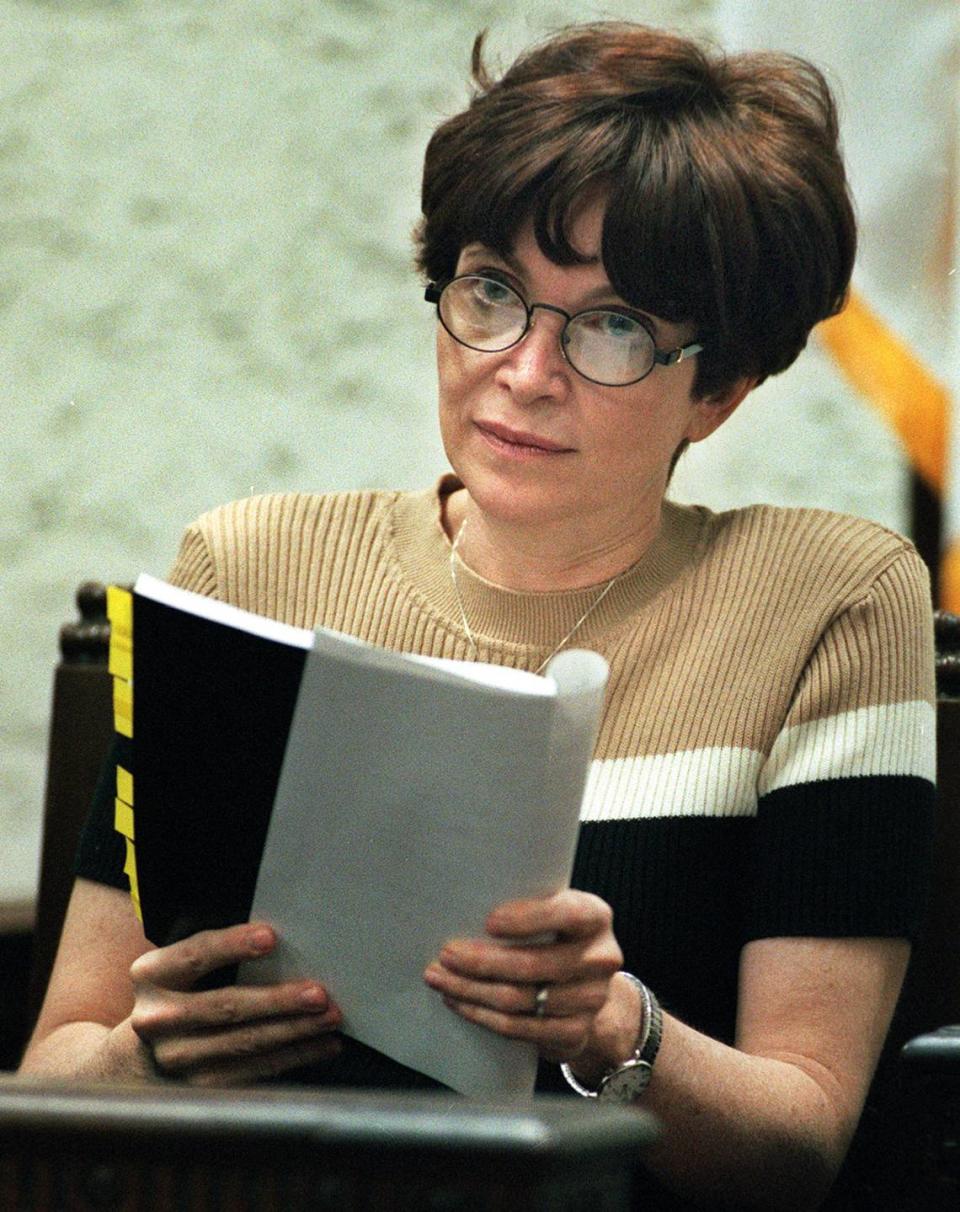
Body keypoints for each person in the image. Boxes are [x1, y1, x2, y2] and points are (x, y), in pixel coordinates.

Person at [20, 22, 935, 1211]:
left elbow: (800, 1147)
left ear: (719, 389)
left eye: (613, 325)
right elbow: (56, 1073)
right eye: (493, 290)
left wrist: (618, 1032)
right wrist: (151, 1060)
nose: (525, 368)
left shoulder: (825, 596)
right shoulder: (247, 564)